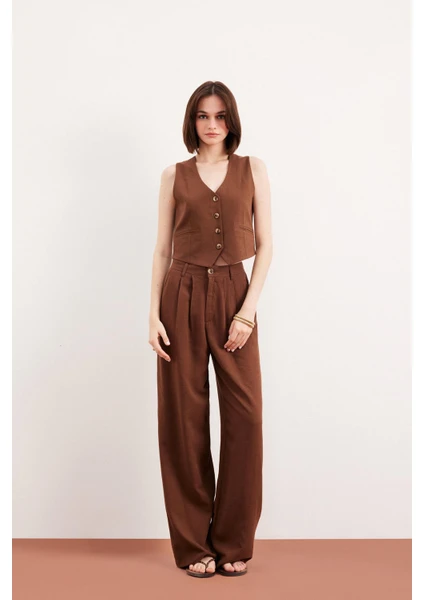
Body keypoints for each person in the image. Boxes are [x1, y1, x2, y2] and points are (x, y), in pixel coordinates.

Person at [148, 80, 273, 578]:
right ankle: (193, 545)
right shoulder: (173, 175)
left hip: (234, 294)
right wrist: (152, 314)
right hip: (178, 293)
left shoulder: (253, 169)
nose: (212, 124)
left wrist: (248, 311)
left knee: (247, 417)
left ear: (232, 120)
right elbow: (162, 248)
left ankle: (234, 542)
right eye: (203, 115)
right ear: (192, 121)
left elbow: (267, 245)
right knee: (183, 419)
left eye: (220, 115)